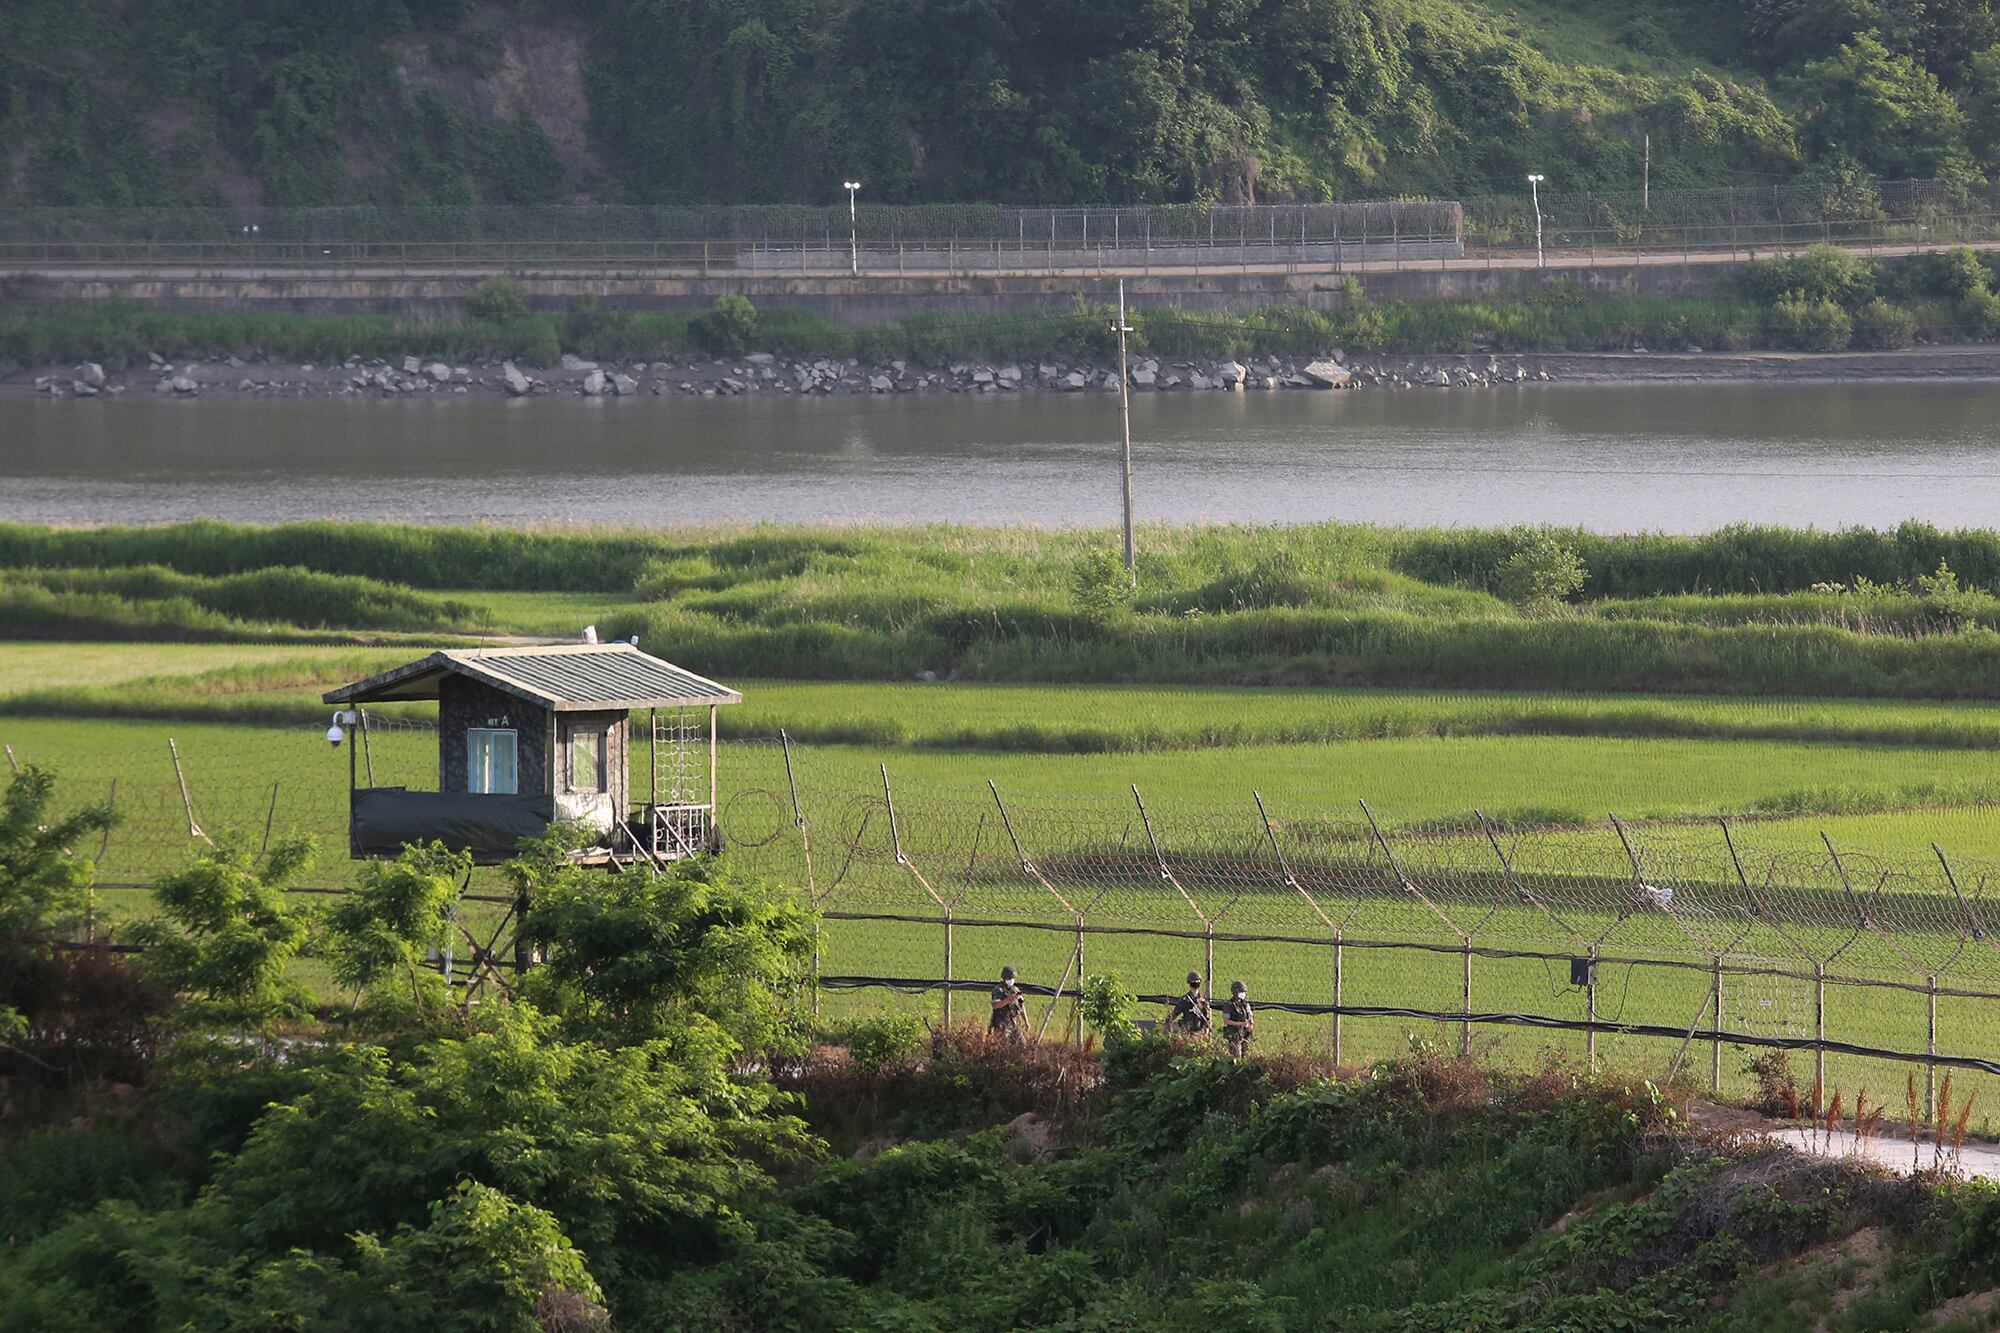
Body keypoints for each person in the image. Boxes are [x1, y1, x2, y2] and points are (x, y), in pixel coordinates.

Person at [1168, 970, 1211, 1037]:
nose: (1196, 983)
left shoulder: (1203, 999)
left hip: (1200, 1033)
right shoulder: (1185, 999)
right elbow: (1174, 1014)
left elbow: (1206, 1016)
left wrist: (1206, 1029)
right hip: (1187, 1033)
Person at [990, 965, 1027, 1043]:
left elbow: (1022, 1005)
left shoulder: (1016, 990)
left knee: (1022, 1045)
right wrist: (1008, 1000)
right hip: (1002, 1025)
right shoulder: (998, 990)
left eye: (1012, 978)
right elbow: (995, 1005)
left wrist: (1026, 1021)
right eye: (1009, 978)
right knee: (1003, 1045)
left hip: (1015, 1024)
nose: (1011, 980)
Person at [1221, 980, 1255, 1057]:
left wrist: (1251, 1025)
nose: (1243, 994)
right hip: (1234, 1035)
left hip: (1245, 1034)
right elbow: (1226, 1021)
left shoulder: (1245, 1005)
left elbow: (1250, 1016)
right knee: (1236, 1055)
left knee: (1245, 1055)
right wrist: (1241, 1024)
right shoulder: (1229, 1005)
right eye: (1241, 992)